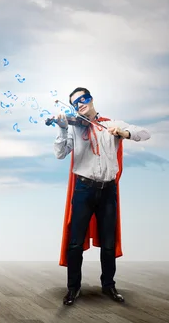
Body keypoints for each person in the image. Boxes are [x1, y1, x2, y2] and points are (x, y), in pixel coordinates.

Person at [53, 87, 151, 306]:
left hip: (107, 191)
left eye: (83, 99)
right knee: (75, 242)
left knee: (108, 242)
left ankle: (108, 286)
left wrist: (124, 133)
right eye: (75, 103)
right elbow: (60, 154)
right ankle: (73, 289)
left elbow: (145, 133)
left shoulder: (110, 124)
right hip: (83, 189)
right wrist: (61, 129)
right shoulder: (74, 128)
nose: (80, 104)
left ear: (91, 99)